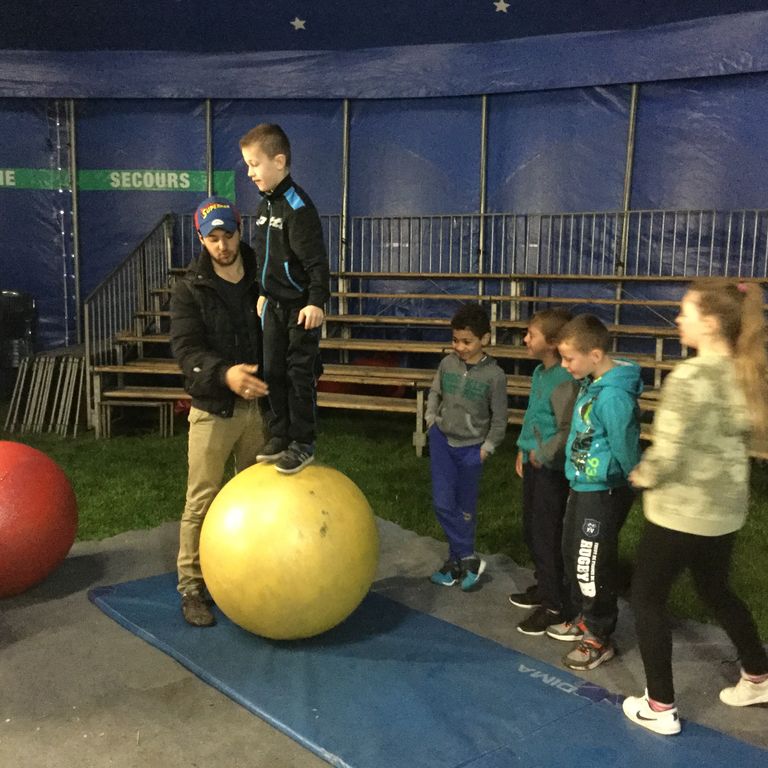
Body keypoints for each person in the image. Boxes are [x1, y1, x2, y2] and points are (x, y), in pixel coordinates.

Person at [622, 279, 768, 736]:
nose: (677, 319)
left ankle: (660, 706)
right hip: (724, 512)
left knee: (647, 598)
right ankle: (758, 675)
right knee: (715, 588)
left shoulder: (689, 377)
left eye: (685, 312)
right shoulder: (745, 372)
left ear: (709, 322)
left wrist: (643, 474)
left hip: (681, 512)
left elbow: (670, 451)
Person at [170, 196, 269, 627]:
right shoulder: (189, 288)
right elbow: (186, 350)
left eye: (228, 235)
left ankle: (247, 573)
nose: (222, 245)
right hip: (213, 409)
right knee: (202, 500)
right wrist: (225, 375)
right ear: (200, 239)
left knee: (257, 498)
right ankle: (192, 587)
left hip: (261, 407)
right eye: (213, 239)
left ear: (240, 230)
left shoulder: (264, 275)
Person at [545, 314, 642, 670]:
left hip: (603, 491)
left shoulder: (613, 396)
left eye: (569, 358)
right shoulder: (593, 383)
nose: (564, 365)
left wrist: (633, 475)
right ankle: (585, 618)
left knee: (591, 563)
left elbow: (624, 443)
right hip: (582, 485)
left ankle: (599, 635)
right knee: (573, 553)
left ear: (596, 355)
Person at [239, 123, 330, 474]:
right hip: (272, 307)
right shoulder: (264, 206)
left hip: (300, 310)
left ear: (278, 161)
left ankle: (302, 442)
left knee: (298, 375)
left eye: (254, 164)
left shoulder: (298, 207)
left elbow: (316, 261)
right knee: (271, 371)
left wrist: (316, 301)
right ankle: (279, 435)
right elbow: (264, 255)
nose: (250, 173)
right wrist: (262, 293)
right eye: (247, 165)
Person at [425, 303, 508, 591]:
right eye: (455, 340)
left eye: (467, 341)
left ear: (485, 339)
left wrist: (488, 447)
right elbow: (435, 392)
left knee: (464, 510)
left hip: (472, 449)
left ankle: (455, 564)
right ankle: (469, 557)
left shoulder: (495, 376)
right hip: (442, 443)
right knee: (442, 503)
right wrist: (431, 420)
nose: (459, 347)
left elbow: (500, 417)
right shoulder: (447, 364)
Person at [509, 309, 579, 635]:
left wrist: (544, 453)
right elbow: (533, 417)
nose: (525, 339)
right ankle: (544, 585)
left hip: (551, 469)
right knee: (531, 527)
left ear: (551, 343)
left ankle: (554, 604)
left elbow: (565, 429)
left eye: (531, 334)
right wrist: (522, 450)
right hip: (534, 462)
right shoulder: (540, 372)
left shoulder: (564, 380)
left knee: (546, 533)